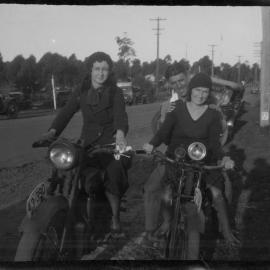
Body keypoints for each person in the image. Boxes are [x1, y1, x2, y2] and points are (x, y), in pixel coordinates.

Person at [143, 73, 239, 257]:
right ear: (191, 90)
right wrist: (152, 144)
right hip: (176, 160)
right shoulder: (177, 109)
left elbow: (214, 144)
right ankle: (166, 222)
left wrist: (225, 159)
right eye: (197, 90)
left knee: (217, 194)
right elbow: (163, 133)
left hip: (202, 163)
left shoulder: (212, 114)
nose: (201, 95)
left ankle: (227, 232)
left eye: (205, 91)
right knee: (165, 194)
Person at [40, 51, 130, 235]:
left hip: (109, 144)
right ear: (90, 70)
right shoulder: (81, 90)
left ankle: (114, 217)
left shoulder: (115, 92)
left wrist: (120, 135)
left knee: (113, 171)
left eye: (104, 69)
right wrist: (52, 131)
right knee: (69, 171)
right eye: (97, 68)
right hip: (86, 143)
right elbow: (66, 112)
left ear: (109, 71)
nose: (100, 73)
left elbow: (121, 116)